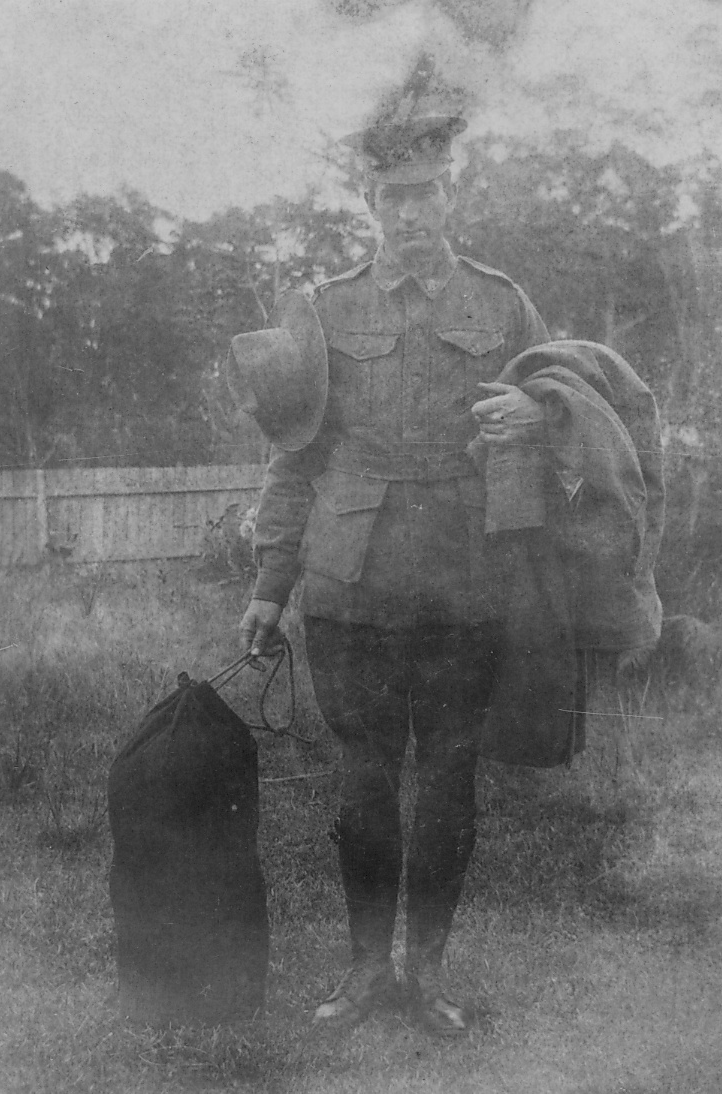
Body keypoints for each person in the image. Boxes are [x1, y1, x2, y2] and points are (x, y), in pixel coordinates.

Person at [238, 114, 550, 1034]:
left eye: (427, 195)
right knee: (364, 780)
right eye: (393, 198)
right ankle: (367, 968)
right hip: (349, 582)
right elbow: (293, 460)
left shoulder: (504, 302)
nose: (411, 214)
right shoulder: (324, 308)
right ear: (371, 206)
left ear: (453, 197)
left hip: (466, 576)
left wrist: (535, 414)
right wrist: (268, 586)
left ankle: (429, 973)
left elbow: (566, 392)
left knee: (451, 777)